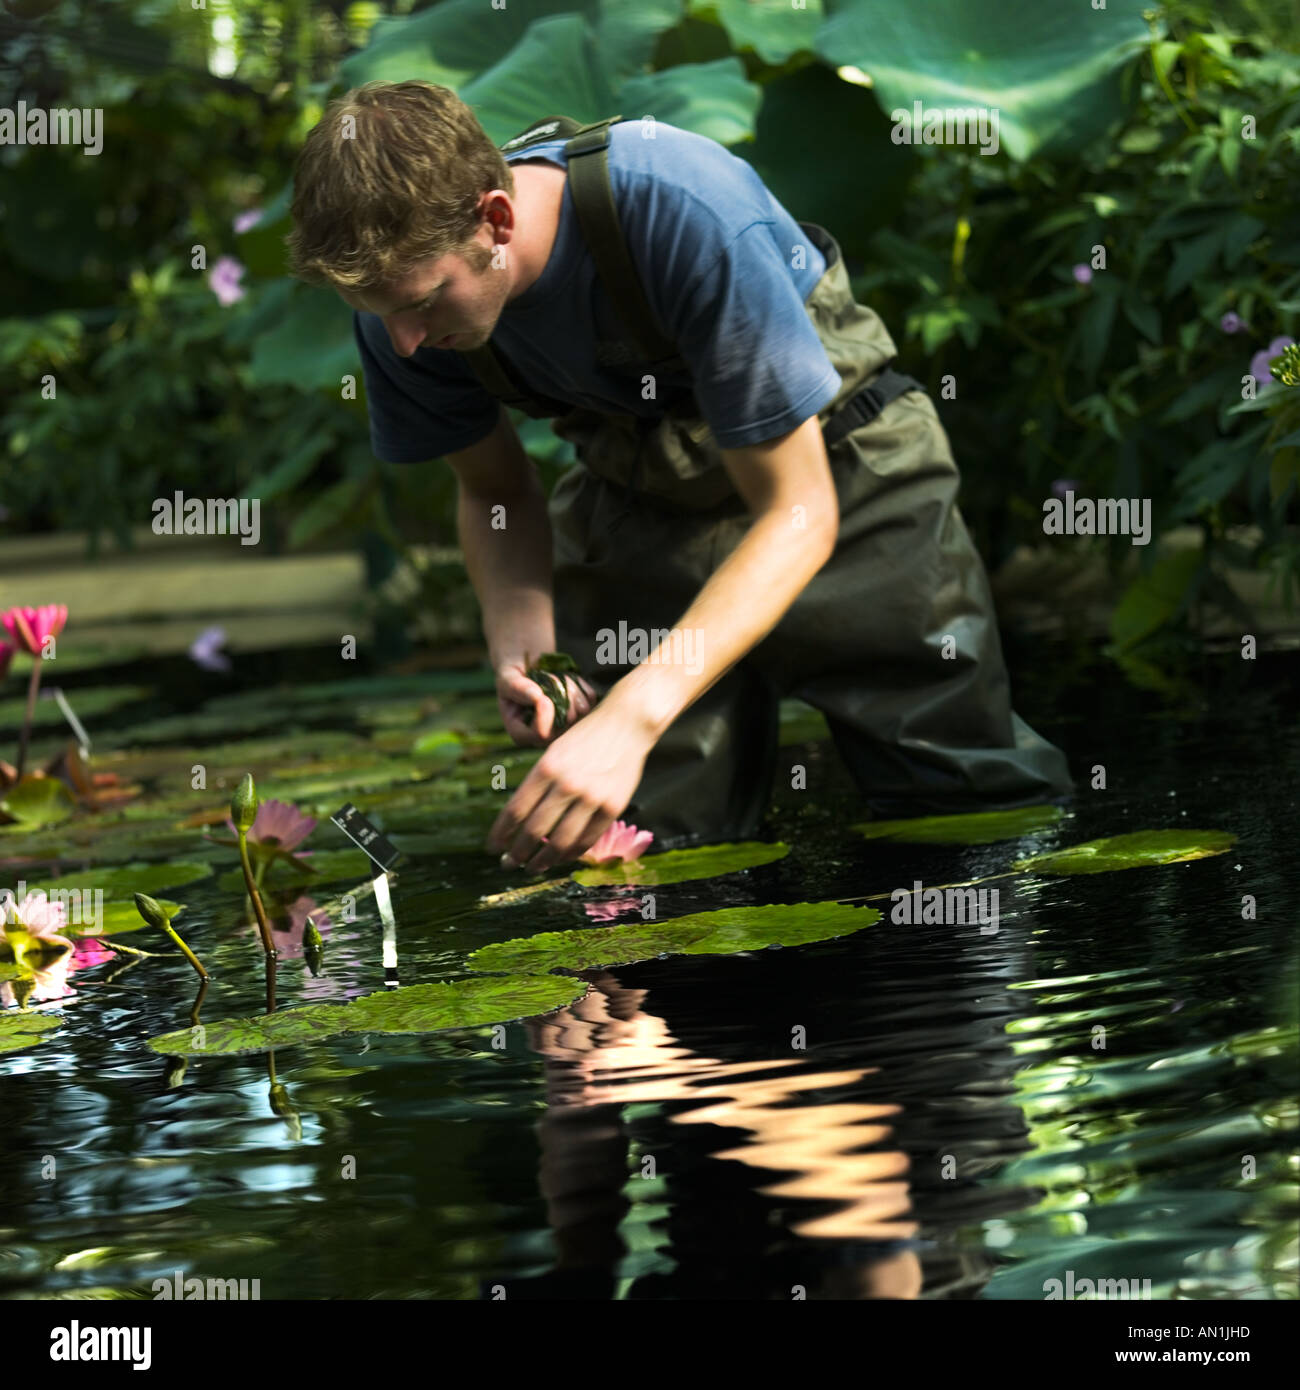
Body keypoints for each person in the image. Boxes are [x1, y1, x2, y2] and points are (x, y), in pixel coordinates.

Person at [287, 81, 1072, 873]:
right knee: (632, 846)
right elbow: (495, 491)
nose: (407, 342)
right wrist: (524, 647)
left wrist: (630, 718)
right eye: (381, 313)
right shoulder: (401, 314)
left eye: (423, 303)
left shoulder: (677, 204)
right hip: (642, 507)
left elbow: (800, 512)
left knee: (971, 813)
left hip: (845, 477)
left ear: (497, 218)